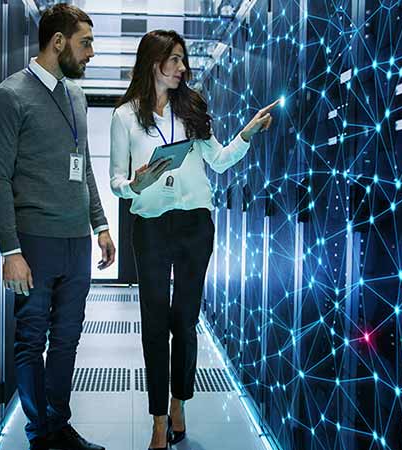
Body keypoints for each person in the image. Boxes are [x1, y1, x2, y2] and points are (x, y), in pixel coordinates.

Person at [109, 29, 277, 450]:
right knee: (154, 324)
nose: (184, 68)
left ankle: (179, 402)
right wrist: (135, 183)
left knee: (184, 320)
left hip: (195, 225)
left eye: (184, 61)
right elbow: (115, 182)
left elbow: (218, 162)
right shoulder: (125, 116)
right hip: (149, 226)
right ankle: (158, 419)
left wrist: (246, 136)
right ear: (154, 63)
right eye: (176, 60)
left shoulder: (193, 108)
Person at [0, 4, 115, 450]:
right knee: (31, 339)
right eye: (85, 43)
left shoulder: (75, 96)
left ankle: (59, 425)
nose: (92, 53)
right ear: (57, 42)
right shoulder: (10, 96)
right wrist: (10, 251)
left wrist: (100, 224)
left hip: (76, 241)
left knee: (66, 341)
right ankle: (40, 433)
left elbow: (85, 171)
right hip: (34, 243)